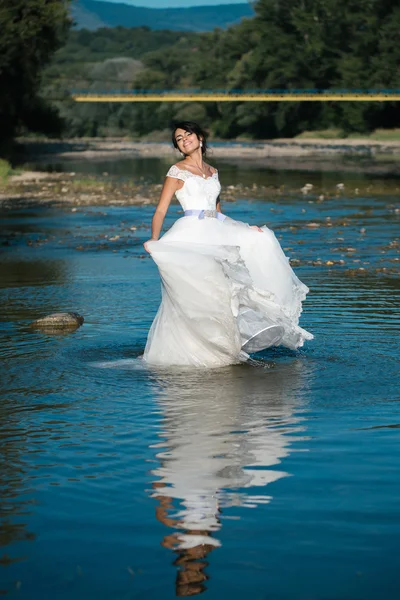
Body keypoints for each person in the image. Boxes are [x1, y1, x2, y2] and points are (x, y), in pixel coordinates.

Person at [143, 121, 313, 367]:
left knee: (237, 278)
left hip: (216, 231)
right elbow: (160, 210)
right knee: (207, 288)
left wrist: (246, 229)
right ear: (179, 148)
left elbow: (218, 214)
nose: (184, 140)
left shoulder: (213, 172)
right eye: (179, 139)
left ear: (200, 138)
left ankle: (230, 342)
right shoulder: (176, 171)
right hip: (191, 233)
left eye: (187, 134)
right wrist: (154, 239)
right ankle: (203, 347)